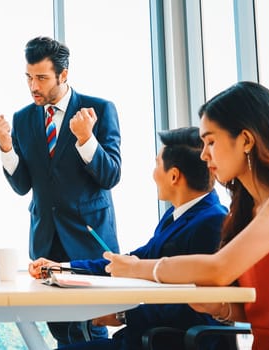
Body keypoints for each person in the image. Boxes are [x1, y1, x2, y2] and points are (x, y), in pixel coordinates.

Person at [104, 81, 269, 349]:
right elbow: (260, 309)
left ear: (246, 140)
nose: (204, 155)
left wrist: (139, 268)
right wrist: (221, 307)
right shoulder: (246, 212)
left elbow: (219, 268)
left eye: (210, 142)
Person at [29, 126, 230, 350]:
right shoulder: (178, 215)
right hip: (142, 339)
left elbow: (200, 308)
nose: (153, 173)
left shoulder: (212, 222)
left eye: (157, 164)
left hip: (162, 344)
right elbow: (131, 261)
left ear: (174, 176)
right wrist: (63, 268)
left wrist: (123, 315)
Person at [0, 36, 122, 345]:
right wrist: (6, 146)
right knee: (60, 331)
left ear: (63, 75)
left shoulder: (99, 110)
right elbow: (22, 185)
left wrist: (86, 139)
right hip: (46, 243)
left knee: (91, 329)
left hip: (88, 243)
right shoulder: (23, 119)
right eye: (28, 77)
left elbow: (111, 175)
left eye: (41, 78)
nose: (33, 86)